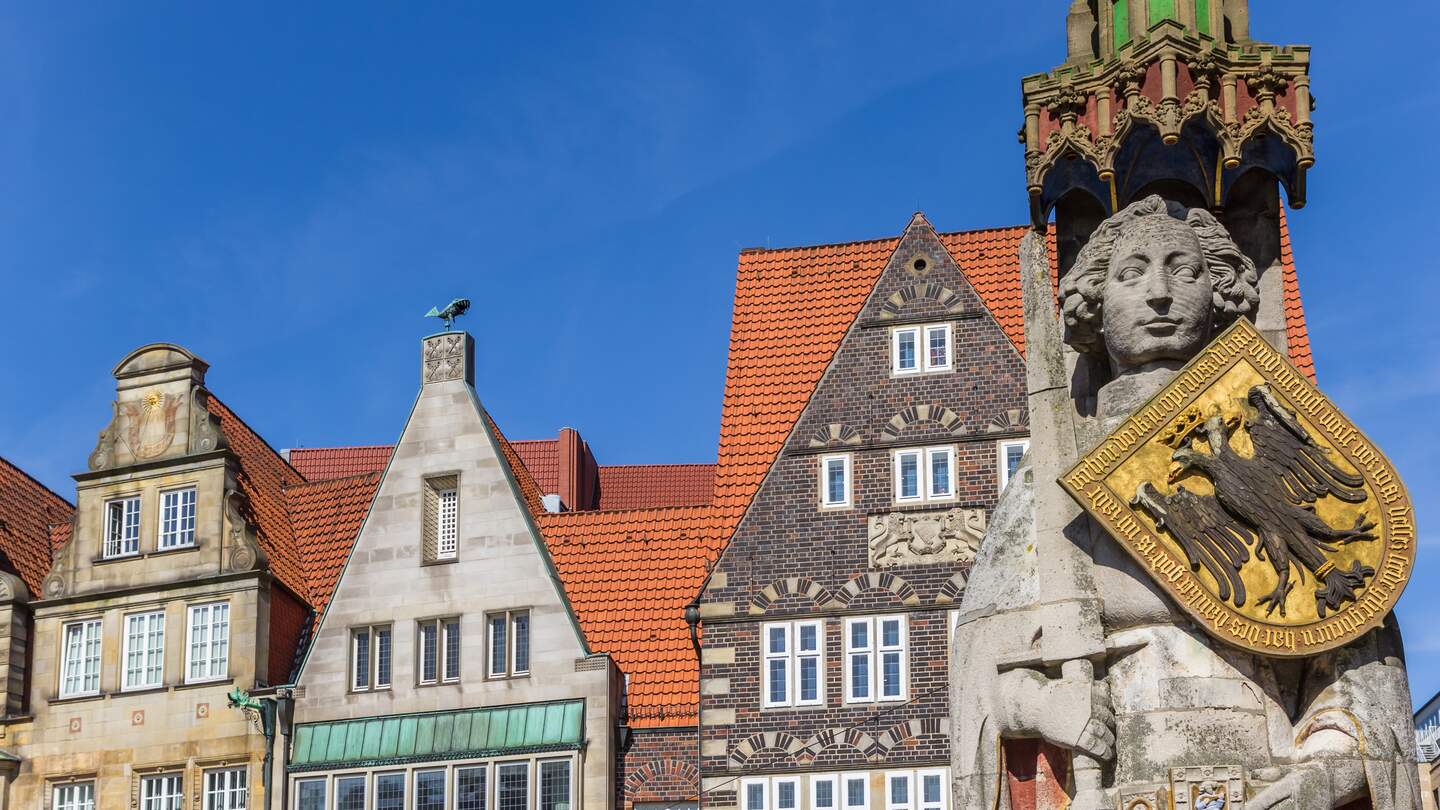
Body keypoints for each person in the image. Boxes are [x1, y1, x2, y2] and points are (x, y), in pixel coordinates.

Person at [951, 196, 1419, 809]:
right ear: (1095, 300)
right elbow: (983, 665)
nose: (1161, 294)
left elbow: (1357, 643)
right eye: (1132, 273)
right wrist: (1043, 704)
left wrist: (1322, 775)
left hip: (1272, 785)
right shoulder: (1055, 475)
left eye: (1185, 269)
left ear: (1219, 289)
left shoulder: (1269, 428)